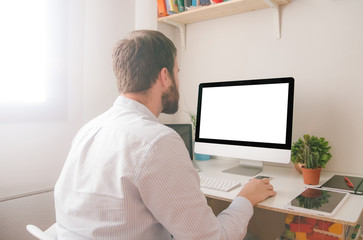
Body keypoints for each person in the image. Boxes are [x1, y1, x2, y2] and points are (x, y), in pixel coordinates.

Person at [54, 30, 276, 240]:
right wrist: (246, 197)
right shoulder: (157, 141)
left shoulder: (88, 130)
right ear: (164, 76)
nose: (178, 81)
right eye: (177, 72)